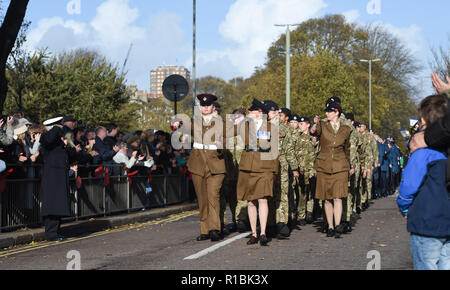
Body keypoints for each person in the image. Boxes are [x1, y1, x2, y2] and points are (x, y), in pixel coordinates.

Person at [397, 94, 450, 270]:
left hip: (426, 222)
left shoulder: (421, 153)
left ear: (423, 121)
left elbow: (408, 187)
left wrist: (405, 207)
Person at [181, 94, 228, 242]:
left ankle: (215, 228)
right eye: (203, 105)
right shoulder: (194, 123)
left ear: (213, 107)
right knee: (202, 199)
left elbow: (226, 143)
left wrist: (221, 146)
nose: (205, 107)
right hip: (198, 164)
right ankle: (205, 229)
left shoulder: (221, 124)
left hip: (215, 165)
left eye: (208, 105)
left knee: (213, 196)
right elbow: (182, 130)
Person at [237, 99, 279, 246]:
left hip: (265, 166)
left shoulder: (270, 127)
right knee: (250, 201)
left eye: (251, 111)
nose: (249, 113)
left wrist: (274, 170)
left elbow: (274, 149)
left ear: (259, 112)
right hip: (248, 165)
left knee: (262, 199)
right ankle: (253, 233)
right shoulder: (245, 126)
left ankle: (263, 233)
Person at [311, 102, 352, 238]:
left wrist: (349, 166)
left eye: (329, 111)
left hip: (340, 165)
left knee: (338, 196)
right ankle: (330, 226)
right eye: (326, 112)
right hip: (324, 165)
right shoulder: (322, 125)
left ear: (337, 112)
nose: (326, 114)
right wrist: (314, 125)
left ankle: (338, 223)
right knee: (327, 198)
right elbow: (314, 132)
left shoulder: (346, 129)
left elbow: (347, 149)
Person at [40, 117, 72, 242]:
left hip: (59, 176)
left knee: (58, 205)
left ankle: (56, 231)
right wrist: (55, 128)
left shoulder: (58, 142)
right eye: (60, 126)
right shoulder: (46, 137)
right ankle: (51, 233)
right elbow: (47, 140)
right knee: (53, 205)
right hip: (52, 177)